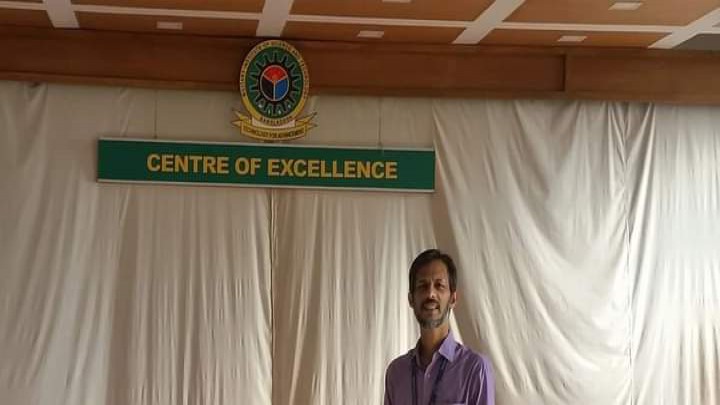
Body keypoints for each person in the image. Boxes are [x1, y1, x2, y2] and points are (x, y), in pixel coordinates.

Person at [384, 249, 495, 405]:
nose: (430, 294)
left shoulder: (475, 369)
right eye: (423, 286)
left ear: (453, 299)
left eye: (439, 285)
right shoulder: (396, 373)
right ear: (411, 299)